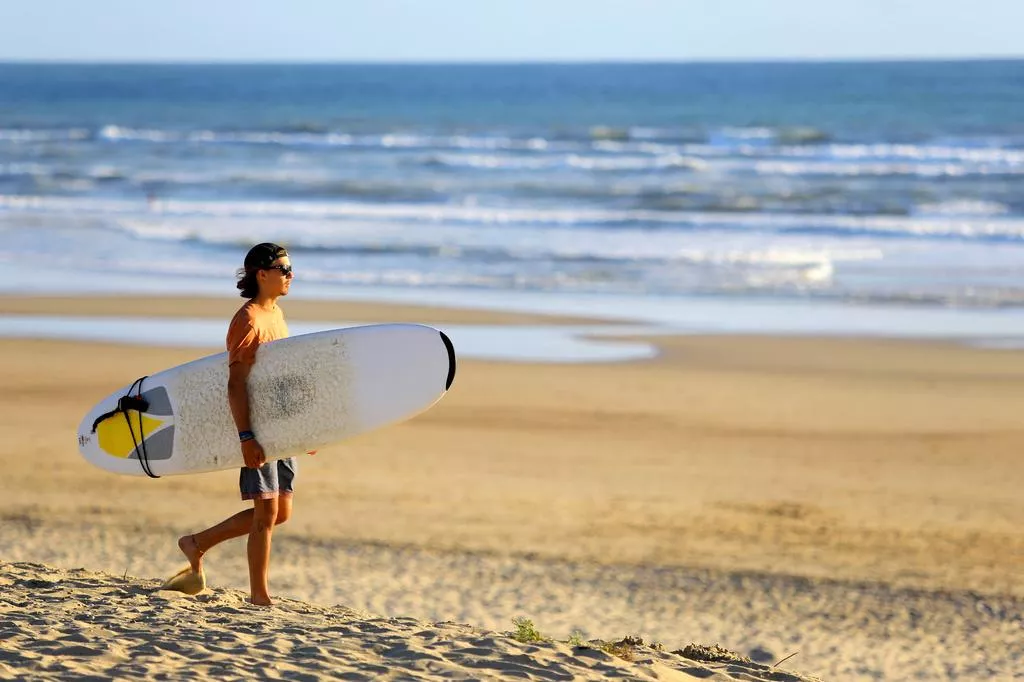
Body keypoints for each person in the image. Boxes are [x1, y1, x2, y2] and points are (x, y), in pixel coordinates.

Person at [177, 242, 298, 606]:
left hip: (280, 428)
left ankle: (197, 542)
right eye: (284, 269)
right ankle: (260, 596)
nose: (291, 276)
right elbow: (236, 383)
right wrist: (246, 435)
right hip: (257, 427)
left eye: (291, 269)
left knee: (282, 512)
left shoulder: (275, 313)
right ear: (262, 274)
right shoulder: (247, 321)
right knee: (267, 510)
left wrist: (305, 429)